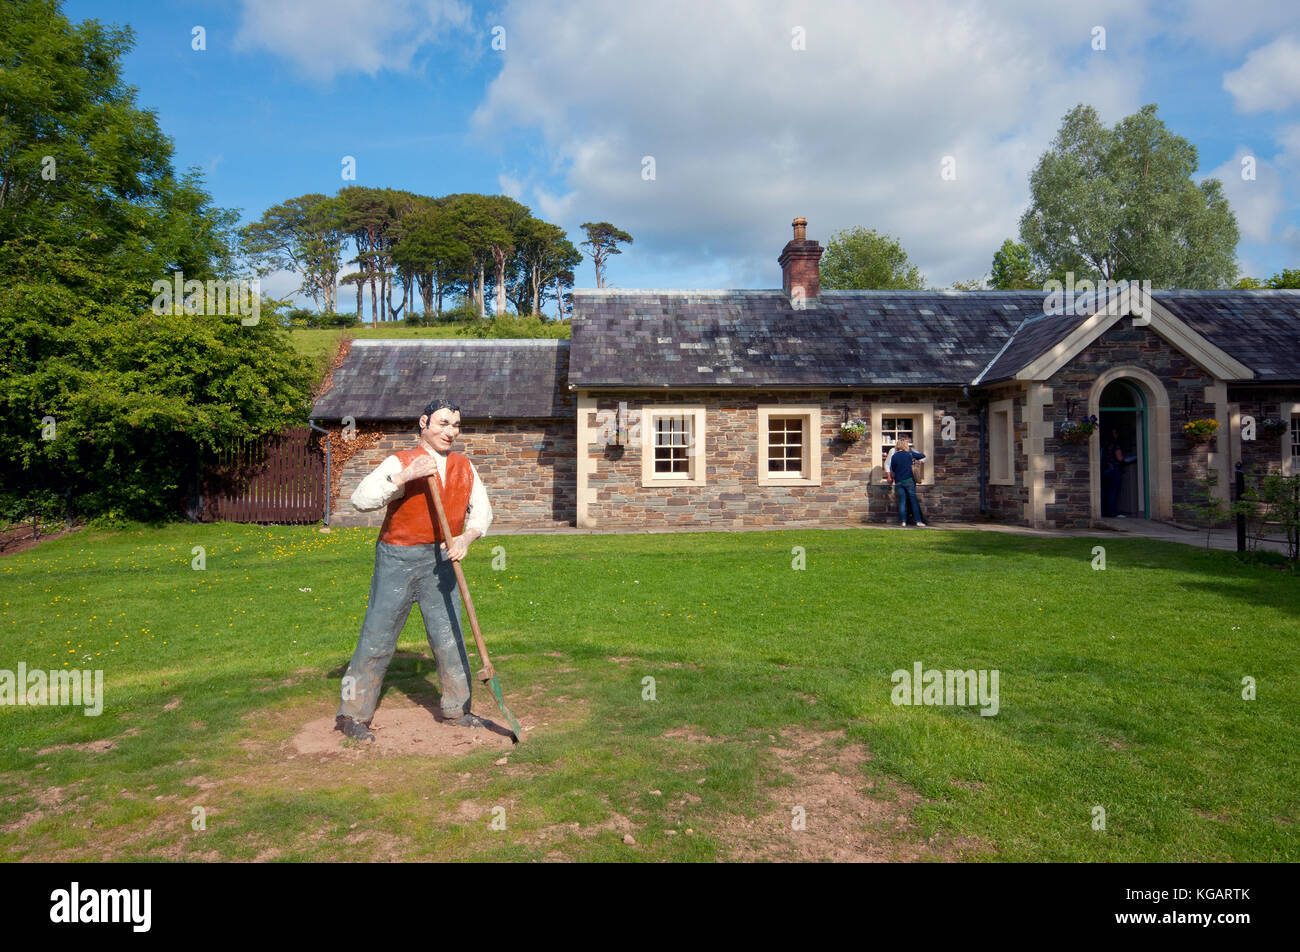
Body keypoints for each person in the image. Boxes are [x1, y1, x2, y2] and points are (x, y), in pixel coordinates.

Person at [334, 398, 493, 742]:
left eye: (455, 425)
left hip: (442, 560)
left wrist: (466, 537)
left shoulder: (464, 465)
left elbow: (482, 511)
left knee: (449, 637)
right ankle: (352, 713)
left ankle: (458, 709)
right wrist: (405, 476)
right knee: (377, 637)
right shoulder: (400, 461)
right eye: (442, 424)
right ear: (423, 423)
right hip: (398, 560)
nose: (450, 432)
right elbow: (361, 500)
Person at [888, 437, 928, 527]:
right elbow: (922, 456)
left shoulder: (894, 456)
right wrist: (916, 461)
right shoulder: (909, 454)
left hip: (898, 481)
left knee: (902, 501)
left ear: (897, 446)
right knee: (913, 501)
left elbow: (893, 469)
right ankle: (918, 521)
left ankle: (903, 521)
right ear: (905, 445)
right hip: (909, 480)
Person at [1102, 445, 1137, 518]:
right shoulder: (1116, 446)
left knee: (1107, 493)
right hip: (1114, 471)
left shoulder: (1105, 446)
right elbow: (1120, 458)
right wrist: (1136, 457)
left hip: (1106, 471)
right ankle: (1113, 512)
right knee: (1113, 493)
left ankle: (1105, 511)